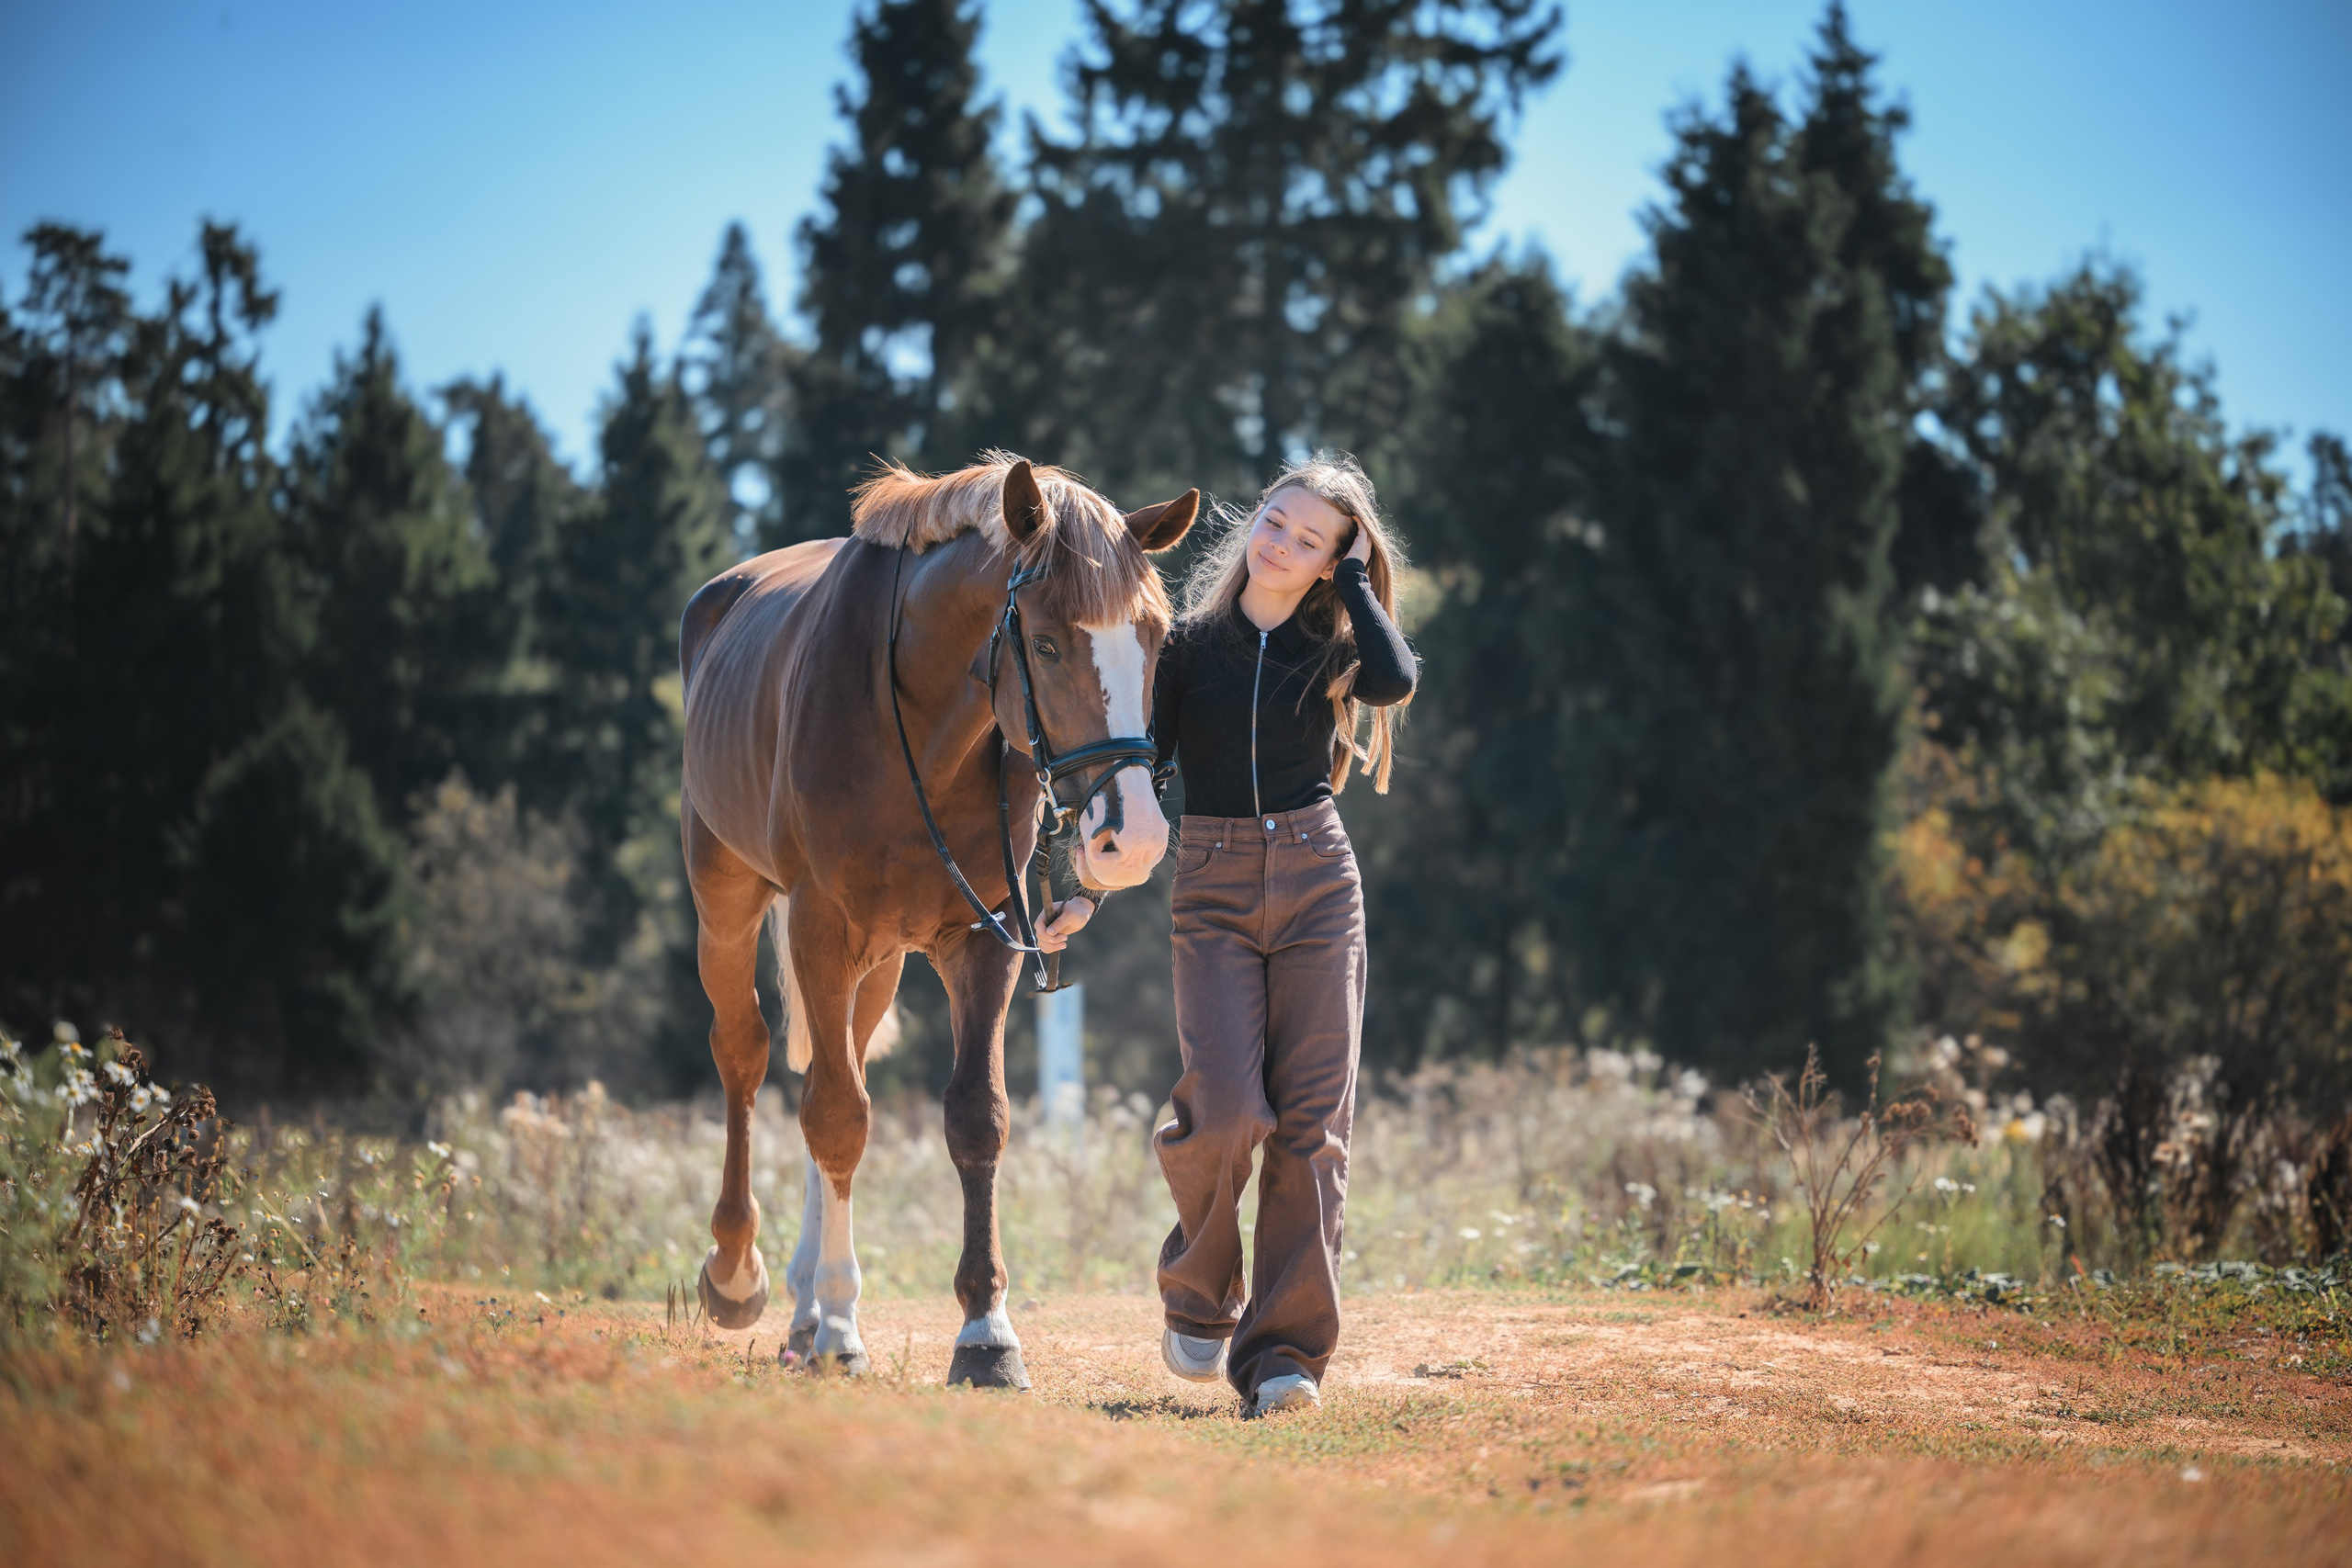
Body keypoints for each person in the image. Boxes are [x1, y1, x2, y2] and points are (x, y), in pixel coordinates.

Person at [1047, 451, 1416, 1417]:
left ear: (1336, 559)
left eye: (1311, 539)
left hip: (1316, 884)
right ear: (1253, 521)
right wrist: (1085, 893)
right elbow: (1144, 778)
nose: (1283, 545)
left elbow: (1392, 678)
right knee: (1224, 1108)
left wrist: (1349, 583)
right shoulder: (1188, 649)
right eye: (1276, 522)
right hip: (1208, 885)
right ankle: (1200, 1298)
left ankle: (1284, 1358)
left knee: (1310, 1128)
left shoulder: (1333, 645)